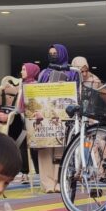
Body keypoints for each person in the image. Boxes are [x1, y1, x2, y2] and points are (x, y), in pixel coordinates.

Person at [36, 44, 77, 192]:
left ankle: (60, 181)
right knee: (45, 148)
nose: (52, 55)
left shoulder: (73, 73)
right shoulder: (44, 73)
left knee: (61, 148)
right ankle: (47, 184)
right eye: (50, 53)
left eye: (55, 53)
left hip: (63, 115)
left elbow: (76, 91)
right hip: (45, 114)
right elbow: (38, 91)